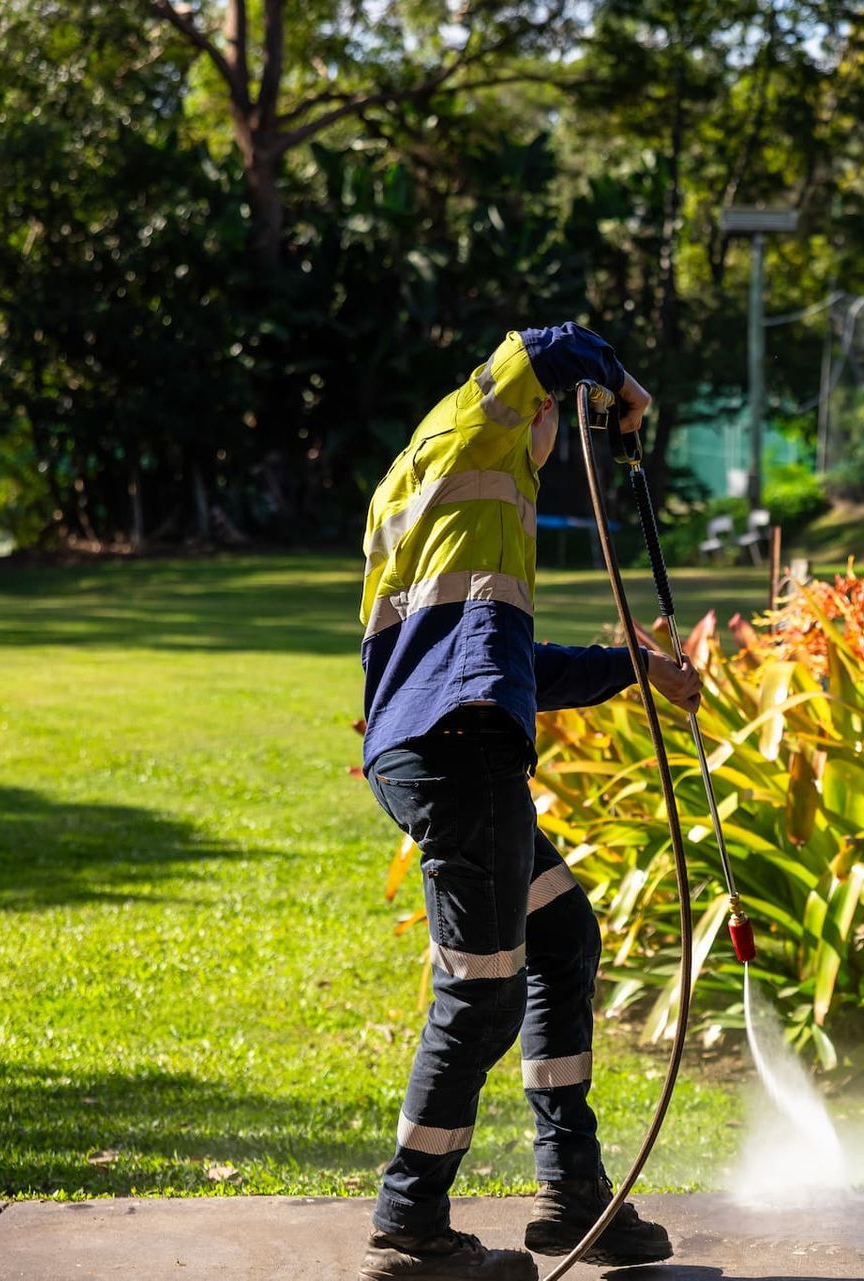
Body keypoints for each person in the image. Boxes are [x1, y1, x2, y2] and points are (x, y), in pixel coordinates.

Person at [356, 323, 699, 1281]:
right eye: (557, 410)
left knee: (559, 938)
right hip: (461, 756)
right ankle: (410, 1226)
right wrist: (623, 384)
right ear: (545, 410)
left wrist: (636, 668)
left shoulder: (421, 492)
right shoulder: (480, 432)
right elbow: (545, 344)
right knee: (482, 990)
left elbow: (505, 662)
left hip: (436, 744)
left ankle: (571, 1193)